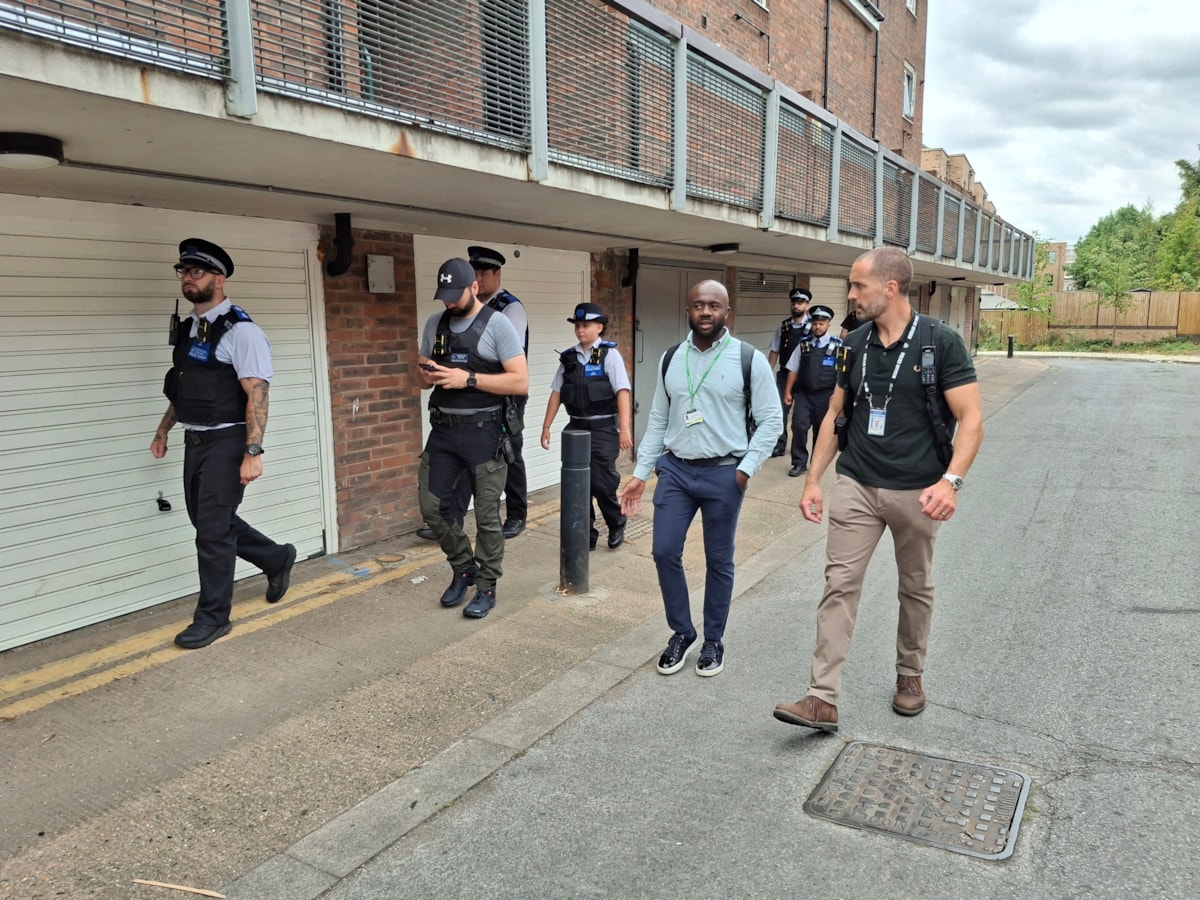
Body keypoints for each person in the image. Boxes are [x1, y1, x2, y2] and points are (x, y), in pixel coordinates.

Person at [773, 247, 983, 733]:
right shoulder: (855, 343)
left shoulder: (940, 342)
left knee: (915, 586)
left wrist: (951, 483)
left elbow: (971, 420)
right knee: (838, 585)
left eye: (858, 286)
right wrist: (812, 481)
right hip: (858, 483)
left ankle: (910, 676)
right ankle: (821, 697)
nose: (850, 294)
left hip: (920, 490)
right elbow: (834, 415)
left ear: (890, 287)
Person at [620, 280, 782, 678]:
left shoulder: (748, 359)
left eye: (714, 305)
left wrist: (745, 470)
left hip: (724, 472)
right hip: (675, 470)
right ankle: (682, 631)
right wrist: (641, 473)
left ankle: (713, 639)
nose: (705, 312)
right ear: (688, 311)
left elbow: (771, 420)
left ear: (727, 311)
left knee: (719, 559)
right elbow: (658, 419)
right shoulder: (671, 358)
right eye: (697, 305)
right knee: (663, 551)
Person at [151, 238, 296, 650]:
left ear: (219, 277)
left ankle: (213, 617)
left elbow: (257, 394)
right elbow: (183, 390)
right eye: (183, 271)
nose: (188, 279)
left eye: (197, 272)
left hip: (227, 440)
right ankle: (275, 556)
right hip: (194, 440)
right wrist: (163, 429)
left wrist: (253, 451)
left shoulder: (242, 331)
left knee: (212, 534)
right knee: (209, 522)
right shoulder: (191, 328)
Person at [418, 258, 528, 620]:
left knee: (486, 517)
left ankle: (486, 585)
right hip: (444, 432)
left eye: (455, 295)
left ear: (474, 287)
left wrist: (468, 379)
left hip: (484, 433)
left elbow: (519, 381)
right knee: (433, 508)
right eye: (444, 296)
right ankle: (464, 569)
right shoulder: (435, 324)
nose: (449, 303)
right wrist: (428, 374)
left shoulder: (498, 325)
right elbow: (420, 376)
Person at [539, 302, 632, 550]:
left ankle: (616, 522)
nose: (580, 330)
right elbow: (556, 393)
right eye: (578, 326)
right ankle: (586, 535)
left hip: (603, 430)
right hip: (576, 429)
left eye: (586, 325)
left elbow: (622, 391)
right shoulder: (569, 358)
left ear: (599, 328)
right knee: (577, 486)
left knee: (602, 483)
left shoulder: (609, 355)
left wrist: (625, 428)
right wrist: (546, 426)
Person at [781, 305, 843, 477]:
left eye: (821, 323)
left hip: (826, 396)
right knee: (799, 426)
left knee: (820, 430)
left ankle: (816, 463)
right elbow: (793, 370)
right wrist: (787, 392)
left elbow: (842, 374)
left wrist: (838, 395)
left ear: (828, 325)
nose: (817, 327)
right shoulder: (803, 345)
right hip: (804, 395)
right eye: (815, 323)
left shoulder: (837, 346)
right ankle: (799, 463)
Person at [766, 287, 813, 459]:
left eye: (800, 302)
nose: (796, 305)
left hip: (804, 378)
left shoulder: (813, 326)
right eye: (794, 302)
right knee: (780, 412)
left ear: (807, 305)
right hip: (785, 375)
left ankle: (799, 455)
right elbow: (774, 350)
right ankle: (779, 445)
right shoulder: (784, 326)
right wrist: (766, 373)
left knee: (800, 420)